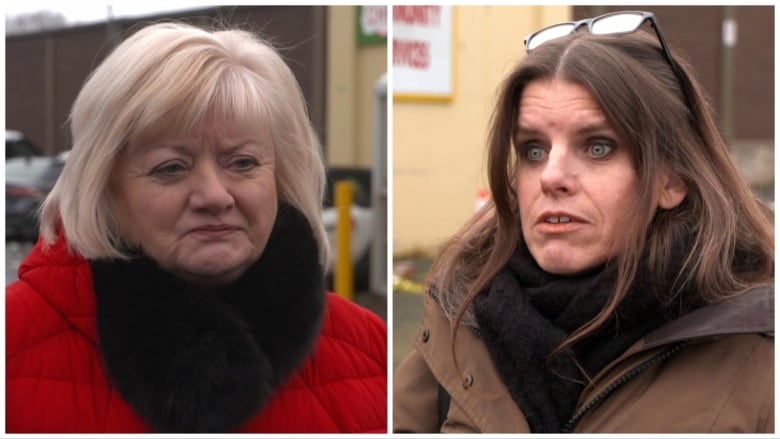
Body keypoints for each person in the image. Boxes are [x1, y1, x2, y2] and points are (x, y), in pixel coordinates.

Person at [394, 10, 773, 433]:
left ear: (672, 178)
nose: (552, 176)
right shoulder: (457, 322)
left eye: (598, 148)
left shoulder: (757, 350)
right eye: (533, 150)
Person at [7, 22, 387, 433]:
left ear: (281, 177)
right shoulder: (12, 342)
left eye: (242, 163)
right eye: (171, 168)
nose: (214, 195)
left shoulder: (369, 347)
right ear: (102, 185)